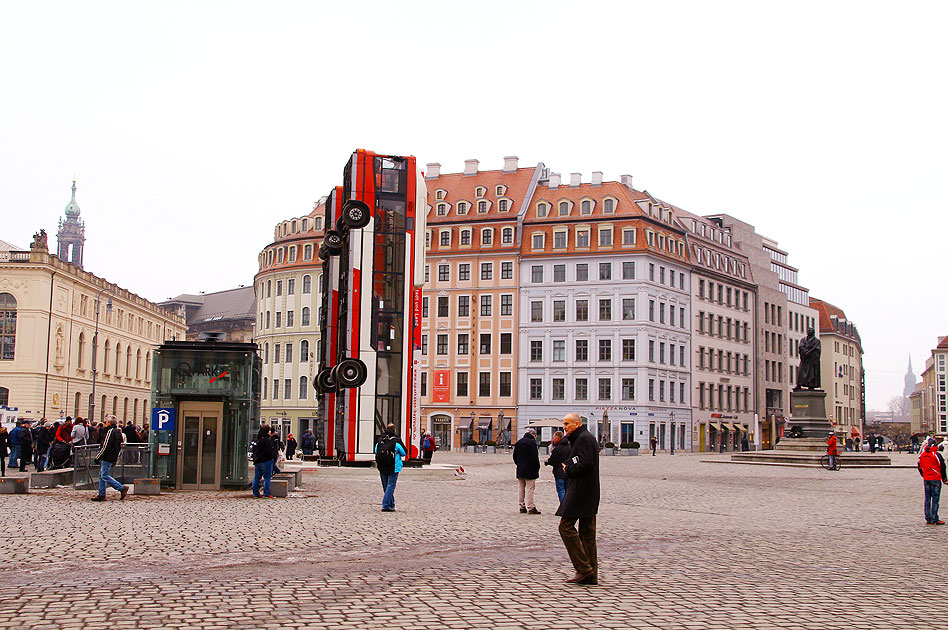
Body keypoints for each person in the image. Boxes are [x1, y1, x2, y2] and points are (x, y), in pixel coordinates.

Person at [556, 412, 600, 585]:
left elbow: (585, 463)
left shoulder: (583, 439)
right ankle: (591, 574)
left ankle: (584, 569)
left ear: (577, 424)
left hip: (581, 491)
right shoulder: (584, 437)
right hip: (589, 491)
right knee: (587, 534)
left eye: (567, 424)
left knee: (565, 527)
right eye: (564, 424)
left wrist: (568, 469)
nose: (564, 427)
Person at [91, 417, 129, 501]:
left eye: (106, 422)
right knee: (102, 475)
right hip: (112, 455)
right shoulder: (117, 432)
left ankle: (121, 488)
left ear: (109, 423)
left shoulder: (110, 431)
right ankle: (101, 494)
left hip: (107, 456)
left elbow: (105, 446)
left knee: (104, 475)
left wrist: (98, 457)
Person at [374, 423, 406, 512]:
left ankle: (391, 505)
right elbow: (404, 453)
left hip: (382, 465)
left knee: (386, 486)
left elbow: (376, 450)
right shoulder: (396, 440)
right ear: (394, 430)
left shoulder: (380, 440)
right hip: (394, 466)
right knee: (391, 486)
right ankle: (386, 505)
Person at [513, 429, 541, 514]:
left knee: (521, 488)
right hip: (530, 469)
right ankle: (531, 507)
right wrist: (537, 467)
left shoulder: (518, 442)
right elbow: (534, 457)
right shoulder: (532, 443)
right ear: (533, 435)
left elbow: (514, 456)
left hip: (520, 468)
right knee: (530, 488)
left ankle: (522, 506)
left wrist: (519, 464)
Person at [918, 439, 945, 525]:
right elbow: (942, 467)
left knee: (927, 499)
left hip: (926, 479)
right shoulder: (936, 455)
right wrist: (944, 479)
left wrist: (924, 475)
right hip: (935, 479)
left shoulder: (923, 455)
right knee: (935, 499)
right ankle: (934, 518)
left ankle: (928, 518)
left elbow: (919, 466)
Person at [545, 431, 570, 503]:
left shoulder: (557, 448)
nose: (553, 439)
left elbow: (553, 460)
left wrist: (547, 462)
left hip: (559, 472)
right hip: (569, 471)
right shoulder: (569, 447)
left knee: (561, 490)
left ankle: (563, 506)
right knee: (567, 490)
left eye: (553, 437)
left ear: (557, 438)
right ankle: (568, 506)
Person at [251, 426, 275, 498]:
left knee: (256, 478)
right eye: (269, 431)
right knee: (267, 478)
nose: (270, 432)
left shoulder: (258, 440)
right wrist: (271, 457)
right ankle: (266, 494)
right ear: (267, 431)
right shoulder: (267, 440)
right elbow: (268, 451)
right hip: (266, 461)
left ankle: (255, 493)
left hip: (257, 462)